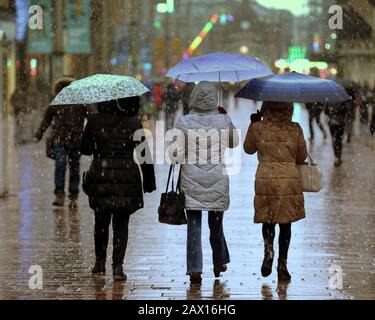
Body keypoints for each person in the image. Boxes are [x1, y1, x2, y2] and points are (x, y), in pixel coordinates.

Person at [80, 97, 156, 281]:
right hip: (126, 177)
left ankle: (99, 263)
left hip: (101, 176)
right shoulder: (133, 122)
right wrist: (149, 181)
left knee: (101, 221)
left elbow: (85, 149)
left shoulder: (94, 120)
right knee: (121, 223)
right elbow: (143, 154)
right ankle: (118, 266)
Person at [172, 81, 239, 284]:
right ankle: (219, 261)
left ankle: (195, 269)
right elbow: (234, 142)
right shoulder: (223, 119)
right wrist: (223, 118)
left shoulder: (184, 122)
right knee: (216, 224)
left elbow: (175, 154)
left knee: (194, 225)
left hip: (191, 180)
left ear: (193, 98)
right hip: (217, 178)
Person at [244, 101, 308, 282]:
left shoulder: (259, 127)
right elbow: (302, 156)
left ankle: (268, 249)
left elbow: (248, 149)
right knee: (285, 223)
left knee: (268, 218)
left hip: (266, 178)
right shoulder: (295, 128)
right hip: (288, 179)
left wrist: (254, 123)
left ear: (266, 108)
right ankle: (282, 264)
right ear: (289, 108)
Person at [34, 77, 89, 208]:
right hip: (61, 139)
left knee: (72, 168)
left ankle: (72, 196)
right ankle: (60, 195)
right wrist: (39, 134)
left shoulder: (80, 102)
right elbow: (46, 120)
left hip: (75, 140)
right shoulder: (56, 103)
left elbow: (91, 118)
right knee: (61, 165)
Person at [325, 101, 349, 167]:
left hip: (332, 124)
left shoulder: (329, 100)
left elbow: (325, 112)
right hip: (340, 124)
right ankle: (338, 157)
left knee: (334, 140)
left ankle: (336, 157)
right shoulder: (341, 100)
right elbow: (345, 111)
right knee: (339, 140)